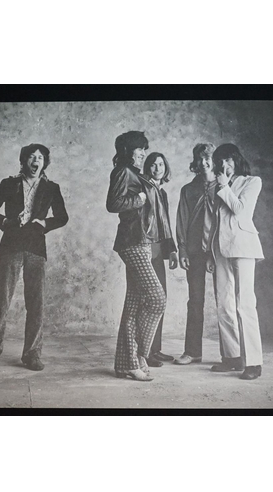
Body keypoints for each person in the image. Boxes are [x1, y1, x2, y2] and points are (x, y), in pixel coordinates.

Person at [0, 143, 69, 371]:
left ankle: (32, 355)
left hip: (36, 249)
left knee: (36, 303)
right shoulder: (9, 184)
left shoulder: (51, 188)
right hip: (11, 247)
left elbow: (62, 217)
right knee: (2, 301)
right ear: (23, 160)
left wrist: (44, 223)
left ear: (44, 162)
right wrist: (6, 222)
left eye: (40, 157)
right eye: (31, 157)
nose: (35, 161)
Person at [106, 131, 168, 382]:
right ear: (127, 151)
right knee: (157, 298)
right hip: (132, 241)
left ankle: (126, 365)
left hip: (142, 241)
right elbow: (113, 204)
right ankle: (140, 354)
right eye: (139, 149)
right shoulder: (123, 171)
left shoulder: (137, 174)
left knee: (133, 304)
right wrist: (140, 198)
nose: (143, 153)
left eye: (144, 149)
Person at [209, 143, 264, 380]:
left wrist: (223, 187)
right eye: (221, 162)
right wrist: (211, 252)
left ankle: (253, 362)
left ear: (237, 160)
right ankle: (232, 357)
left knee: (245, 304)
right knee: (224, 303)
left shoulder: (252, 182)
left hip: (243, 247)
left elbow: (240, 212)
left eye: (229, 160)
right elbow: (215, 221)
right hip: (220, 249)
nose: (225, 165)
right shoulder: (219, 186)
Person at [174, 143, 219, 365]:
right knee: (195, 300)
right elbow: (182, 220)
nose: (203, 162)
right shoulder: (188, 190)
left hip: (220, 250)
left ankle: (233, 354)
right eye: (199, 159)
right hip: (194, 251)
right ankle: (193, 351)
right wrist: (182, 249)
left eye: (207, 157)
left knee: (227, 301)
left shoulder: (224, 187)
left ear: (214, 159)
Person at [142, 152, 178, 368]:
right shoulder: (143, 189)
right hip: (145, 249)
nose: (157, 168)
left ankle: (154, 349)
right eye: (153, 164)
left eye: (161, 164)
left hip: (158, 252)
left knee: (160, 299)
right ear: (147, 167)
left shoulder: (162, 193)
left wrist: (171, 250)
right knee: (148, 301)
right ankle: (144, 352)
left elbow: (165, 224)